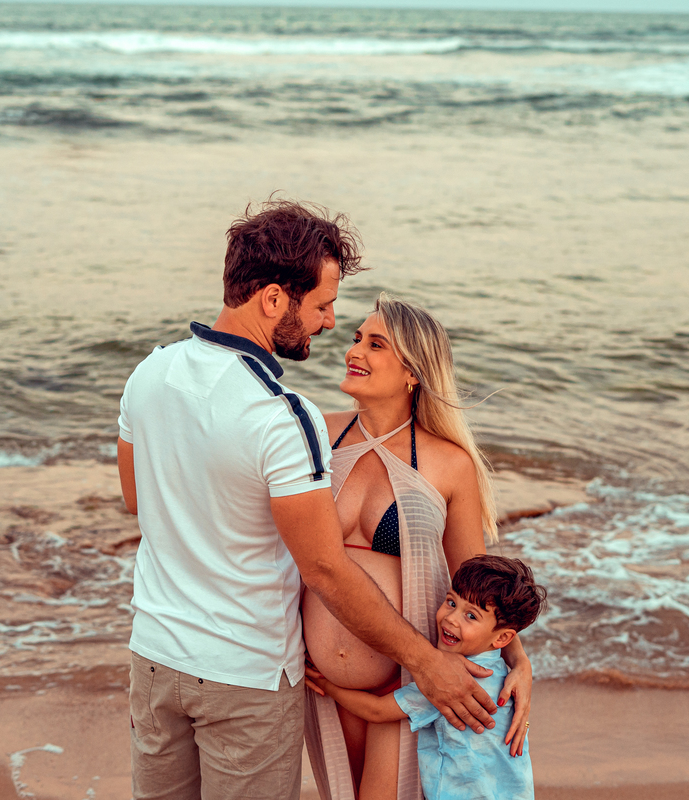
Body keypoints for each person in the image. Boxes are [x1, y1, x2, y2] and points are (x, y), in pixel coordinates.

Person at [116, 200, 500, 800]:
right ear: (273, 299)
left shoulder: (150, 372)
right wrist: (426, 662)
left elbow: (140, 499)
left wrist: (515, 661)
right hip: (246, 670)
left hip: (157, 655)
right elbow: (322, 565)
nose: (327, 326)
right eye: (324, 308)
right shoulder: (287, 418)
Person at [302, 295, 534, 800]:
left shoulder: (448, 464)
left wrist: (519, 661)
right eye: (357, 338)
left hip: (407, 681)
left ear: (413, 371)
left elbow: (478, 580)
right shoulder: (316, 433)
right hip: (317, 682)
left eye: (375, 343)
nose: (354, 350)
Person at [308, 555, 547, 800]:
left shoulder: (457, 679)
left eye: (471, 616)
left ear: (502, 639)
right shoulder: (501, 674)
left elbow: (377, 711)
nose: (451, 618)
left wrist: (325, 683)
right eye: (451, 602)